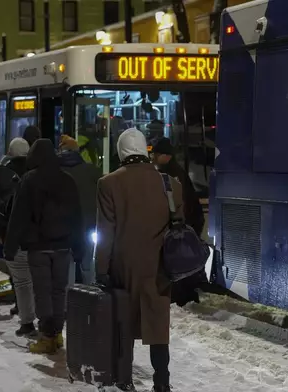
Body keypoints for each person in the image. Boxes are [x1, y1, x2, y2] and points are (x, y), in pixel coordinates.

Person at [95, 129, 183, 392]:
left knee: (124, 324)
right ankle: (162, 381)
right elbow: (178, 226)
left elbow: (106, 231)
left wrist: (101, 269)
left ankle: (124, 379)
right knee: (158, 327)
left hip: (123, 267)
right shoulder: (170, 184)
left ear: (121, 151)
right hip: (159, 268)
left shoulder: (108, 183)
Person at [4, 138, 82, 354]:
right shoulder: (67, 180)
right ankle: (57, 334)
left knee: (42, 292)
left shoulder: (29, 180)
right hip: (63, 246)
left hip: (38, 247)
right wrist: (79, 247)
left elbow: (18, 216)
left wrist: (10, 247)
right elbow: (77, 217)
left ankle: (47, 336)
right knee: (59, 291)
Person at [0, 137, 36, 336]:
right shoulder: (36, 172)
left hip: (10, 231)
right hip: (34, 233)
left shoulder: (1, 171)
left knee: (20, 279)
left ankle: (25, 316)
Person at [57, 135, 101, 285]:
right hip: (89, 226)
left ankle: (67, 302)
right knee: (88, 263)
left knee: (67, 264)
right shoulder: (92, 170)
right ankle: (90, 297)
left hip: (64, 227)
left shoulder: (55, 171)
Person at [151, 137, 205, 237]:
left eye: (156, 155)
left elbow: (179, 205)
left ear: (167, 156)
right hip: (187, 227)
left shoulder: (172, 176)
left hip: (181, 229)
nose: (154, 159)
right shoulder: (176, 171)